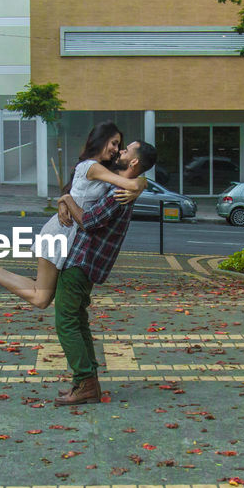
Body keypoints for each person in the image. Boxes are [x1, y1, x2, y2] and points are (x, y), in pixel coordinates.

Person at [0, 122, 146, 306]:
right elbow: (129, 183)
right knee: (41, 298)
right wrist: (139, 185)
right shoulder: (91, 166)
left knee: (42, 296)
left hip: (68, 234)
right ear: (101, 139)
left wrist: (141, 183)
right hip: (59, 231)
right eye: (113, 143)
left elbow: (124, 181)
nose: (116, 149)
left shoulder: (101, 168)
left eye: (119, 145)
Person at [53, 140, 158, 406]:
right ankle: (86, 383)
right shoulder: (123, 187)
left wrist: (66, 199)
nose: (120, 152)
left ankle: (85, 381)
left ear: (133, 162)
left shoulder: (117, 194)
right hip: (87, 264)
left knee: (67, 322)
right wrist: (140, 183)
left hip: (82, 262)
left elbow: (88, 221)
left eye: (125, 150)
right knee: (77, 320)